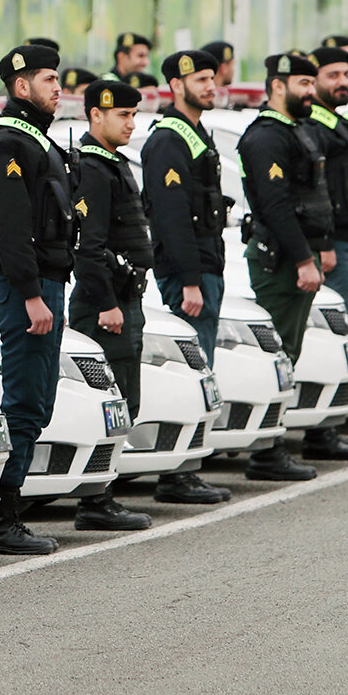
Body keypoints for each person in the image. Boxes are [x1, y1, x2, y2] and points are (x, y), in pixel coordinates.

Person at [0, 43, 69, 555]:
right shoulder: (11, 144)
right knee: (24, 403)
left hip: (42, 287)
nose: (58, 88)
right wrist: (33, 296)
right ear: (21, 87)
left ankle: (6, 513)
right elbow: (12, 232)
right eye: (49, 79)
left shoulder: (35, 142)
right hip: (24, 292)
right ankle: (0, 521)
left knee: (37, 402)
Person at [235, 51, 333, 480]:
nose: (311, 92)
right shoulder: (266, 137)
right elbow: (275, 206)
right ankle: (266, 453)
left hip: (294, 259)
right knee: (279, 355)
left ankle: (272, 444)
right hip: (280, 262)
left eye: (313, 84)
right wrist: (303, 259)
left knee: (288, 354)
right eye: (303, 84)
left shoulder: (296, 131)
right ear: (278, 85)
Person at [141, 49, 232, 504]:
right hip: (190, 276)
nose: (211, 85)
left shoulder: (195, 133)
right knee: (191, 372)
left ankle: (188, 465)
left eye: (213, 77)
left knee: (203, 372)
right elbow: (172, 218)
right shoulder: (168, 141)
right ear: (176, 86)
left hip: (206, 269)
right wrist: (191, 281)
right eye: (201, 79)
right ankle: (176, 474)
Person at [67, 80, 156, 529]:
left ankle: (103, 492)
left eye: (133, 115)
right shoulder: (93, 168)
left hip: (125, 297)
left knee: (126, 400)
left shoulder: (113, 164)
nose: (130, 123)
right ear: (95, 115)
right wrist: (105, 303)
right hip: (105, 305)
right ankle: (95, 501)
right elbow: (89, 244)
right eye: (122, 115)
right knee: (112, 400)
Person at [299, 45, 348, 461]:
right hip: (332, 245)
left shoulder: (340, 120)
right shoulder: (315, 126)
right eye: (332, 75)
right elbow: (320, 193)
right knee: (333, 336)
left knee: (345, 335)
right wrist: (327, 244)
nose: (342, 82)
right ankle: (321, 431)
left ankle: (331, 423)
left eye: (346, 74)